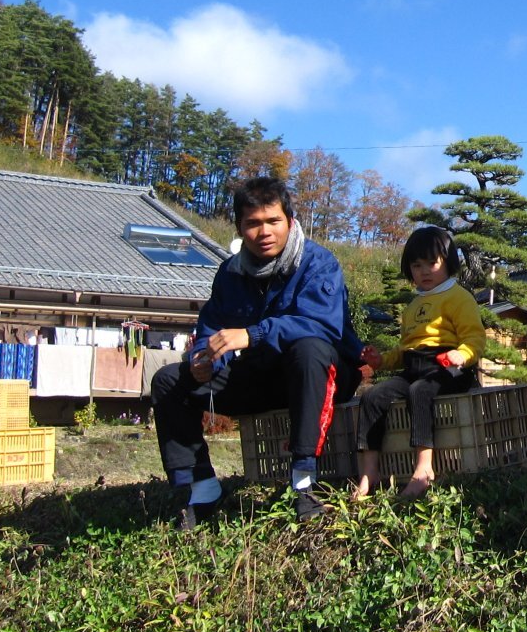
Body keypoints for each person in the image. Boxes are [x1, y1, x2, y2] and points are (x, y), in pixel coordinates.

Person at [150, 176, 369, 527]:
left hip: (320, 375)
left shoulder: (318, 263)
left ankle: (303, 482)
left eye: (273, 221)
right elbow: (211, 329)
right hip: (261, 376)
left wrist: (253, 334)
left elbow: (324, 327)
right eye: (252, 223)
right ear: (239, 227)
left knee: (309, 349)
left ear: (290, 222)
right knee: (169, 380)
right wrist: (204, 359)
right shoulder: (230, 273)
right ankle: (203, 489)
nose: (263, 231)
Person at [353, 227, 484, 501]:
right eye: (416, 265)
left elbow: (474, 339)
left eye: (432, 263)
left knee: (420, 391)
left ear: (447, 262)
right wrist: (380, 361)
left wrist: (461, 354)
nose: (424, 271)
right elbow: (404, 351)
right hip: (414, 367)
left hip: (449, 367)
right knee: (372, 397)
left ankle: (423, 470)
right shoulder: (413, 305)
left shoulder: (459, 297)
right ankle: (370, 472)